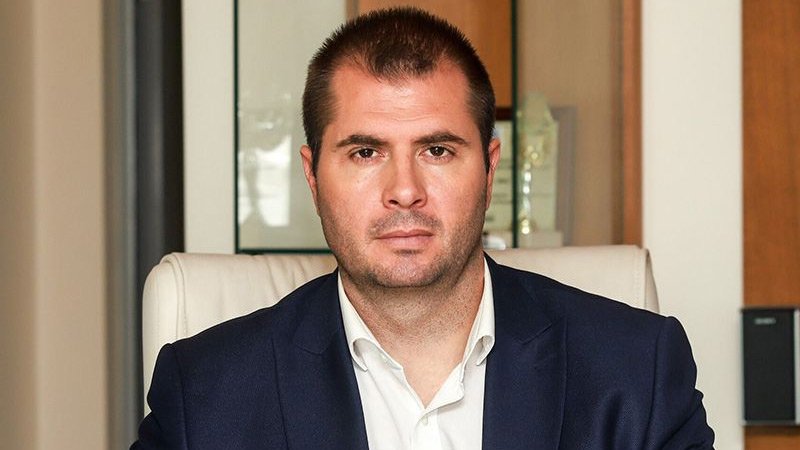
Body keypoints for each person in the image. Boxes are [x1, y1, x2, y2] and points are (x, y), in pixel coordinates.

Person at [133, 7, 714, 449]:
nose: (405, 189)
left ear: (489, 168)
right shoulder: (206, 394)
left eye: (437, 150)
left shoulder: (636, 371)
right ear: (312, 176)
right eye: (365, 153)